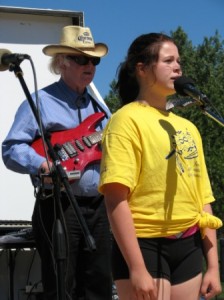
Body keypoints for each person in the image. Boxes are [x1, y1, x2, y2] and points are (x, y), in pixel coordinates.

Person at [98, 32, 223, 300]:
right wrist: (137, 267)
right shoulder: (125, 120)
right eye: (168, 60)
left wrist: (213, 266)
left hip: (188, 245)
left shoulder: (187, 127)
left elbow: (203, 198)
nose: (178, 66)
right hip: (144, 245)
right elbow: (115, 199)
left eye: (179, 60)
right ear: (141, 69)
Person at [2, 25, 112, 300]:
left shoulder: (101, 108)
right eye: (81, 59)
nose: (90, 65)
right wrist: (42, 165)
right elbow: (11, 148)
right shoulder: (41, 101)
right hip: (59, 207)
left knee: (99, 285)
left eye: (94, 60)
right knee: (62, 287)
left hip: (99, 208)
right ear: (61, 62)